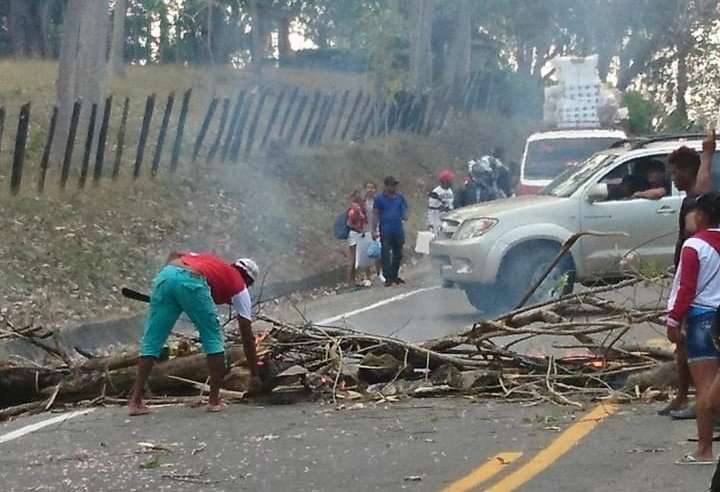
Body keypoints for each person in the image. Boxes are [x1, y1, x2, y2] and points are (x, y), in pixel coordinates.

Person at [128, 252, 260, 415]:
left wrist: (170, 284)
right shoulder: (240, 286)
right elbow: (247, 336)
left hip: (166, 275)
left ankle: (135, 401)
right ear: (248, 280)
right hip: (192, 281)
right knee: (213, 338)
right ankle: (214, 400)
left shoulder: (212, 263)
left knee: (152, 340)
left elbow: (175, 254)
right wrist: (255, 374)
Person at [661, 130, 717, 419]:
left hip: (698, 282)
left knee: (695, 344)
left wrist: (707, 153)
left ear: (689, 171)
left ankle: (700, 401)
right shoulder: (689, 199)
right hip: (687, 274)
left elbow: (700, 200)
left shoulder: (698, 201)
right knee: (683, 345)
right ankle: (683, 396)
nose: (672, 178)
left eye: (676, 172)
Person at [666, 193, 720, 464]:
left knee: (705, 388)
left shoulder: (694, 246)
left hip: (703, 320)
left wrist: (673, 321)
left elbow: (685, 289)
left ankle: (704, 449)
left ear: (701, 215)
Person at [373, 176, 408, 287]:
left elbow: (404, 211)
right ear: (386, 186)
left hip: (397, 229)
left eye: (395, 185)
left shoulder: (399, 197)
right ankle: (388, 277)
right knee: (386, 254)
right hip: (386, 230)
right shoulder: (379, 199)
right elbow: (376, 214)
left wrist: (405, 215)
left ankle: (394, 275)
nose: (394, 187)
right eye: (392, 185)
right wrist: (373, 230)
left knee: (398, 254)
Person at [346, 190, 370, 287]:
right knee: (353, 258)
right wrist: (359, 230)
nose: (361, 197)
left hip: (359, 234)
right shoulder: (353, 209)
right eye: (359, 195)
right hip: (354, 235)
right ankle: (350, 281)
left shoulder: (360, 208)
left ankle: (354, 280)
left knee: (359, 257)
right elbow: (349, 224)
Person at [364, 181, 384, 283]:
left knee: (378, 252)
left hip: (377, 228)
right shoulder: (363, 202)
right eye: (368, 187)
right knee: (365, 252)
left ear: (375, 190)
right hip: (365, 229)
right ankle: (367, 277)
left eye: (372, 188)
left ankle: (379, 272)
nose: (370, 190)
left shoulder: (379, 200)